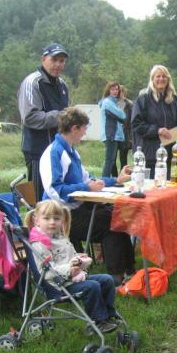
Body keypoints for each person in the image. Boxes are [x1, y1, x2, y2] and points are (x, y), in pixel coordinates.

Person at [40, 107, 135, 282]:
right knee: (109, 225)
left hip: (77, 208)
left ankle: (130, 271)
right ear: (74, 128)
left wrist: (116, 180)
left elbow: (89, 180)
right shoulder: (54, 152)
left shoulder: (71, 151)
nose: (85, 133)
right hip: (61, 215)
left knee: (117, 217)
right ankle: (115, 277)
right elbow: (54, 189)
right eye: (84, 128)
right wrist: (86, 187)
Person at [26, 199, 120, 333]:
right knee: (92, 286)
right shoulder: (39, 244)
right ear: (36, 220)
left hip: (73, 279)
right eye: (46, 218)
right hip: (58, 285)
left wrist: (79, 259)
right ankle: (98, 321)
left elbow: (67, 257)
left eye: (56, 218)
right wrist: (69, 270)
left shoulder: (60, 237)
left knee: (107, 279)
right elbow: (45, 272)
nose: (52, 222)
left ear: (62, 220)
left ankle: (109, 315)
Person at [18, 43, 70, 202]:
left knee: (58, 198)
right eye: (54, 60)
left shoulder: (62, 85)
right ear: (43, 59)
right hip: (38, 150)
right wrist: (62, 116)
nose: (58, 64)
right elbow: (30, 117)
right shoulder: (32, 82)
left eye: (62, 61)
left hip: (59, 150)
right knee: (40, 201)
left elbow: (65, 116)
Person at [131, 65, 177, 177]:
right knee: (151, 186)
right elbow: (136, 124)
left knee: (172, 185)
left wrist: (172, 134)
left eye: (164, 76)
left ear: (168, 79)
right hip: (149, 155)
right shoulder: (143, 99)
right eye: (158, 76)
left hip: (171, 156)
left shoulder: (174, 101)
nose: (161, 79)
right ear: (152, 79)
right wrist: (157, 131)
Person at [99, 81, 127, 177]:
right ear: (108, 90)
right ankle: (104, 180)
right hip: (111, 135)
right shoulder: (108, 102)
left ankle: (111, 180)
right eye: (112, 89)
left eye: (117, 89)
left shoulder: (114, 102)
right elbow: (122, 116)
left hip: (115, 135)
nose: (115, 91)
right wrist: (121, 110)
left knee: (111, 160)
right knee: (109, 160)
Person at [117, 86, 133, 175]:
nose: (120, 94)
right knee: (112, 159)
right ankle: (115, 177)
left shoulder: (129, 104)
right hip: (115, 133)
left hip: (125, 133)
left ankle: (124, 175)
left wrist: (131, 136)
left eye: (121, 92)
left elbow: (131, 121)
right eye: (118, 92)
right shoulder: (112, 103)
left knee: (123, 157)